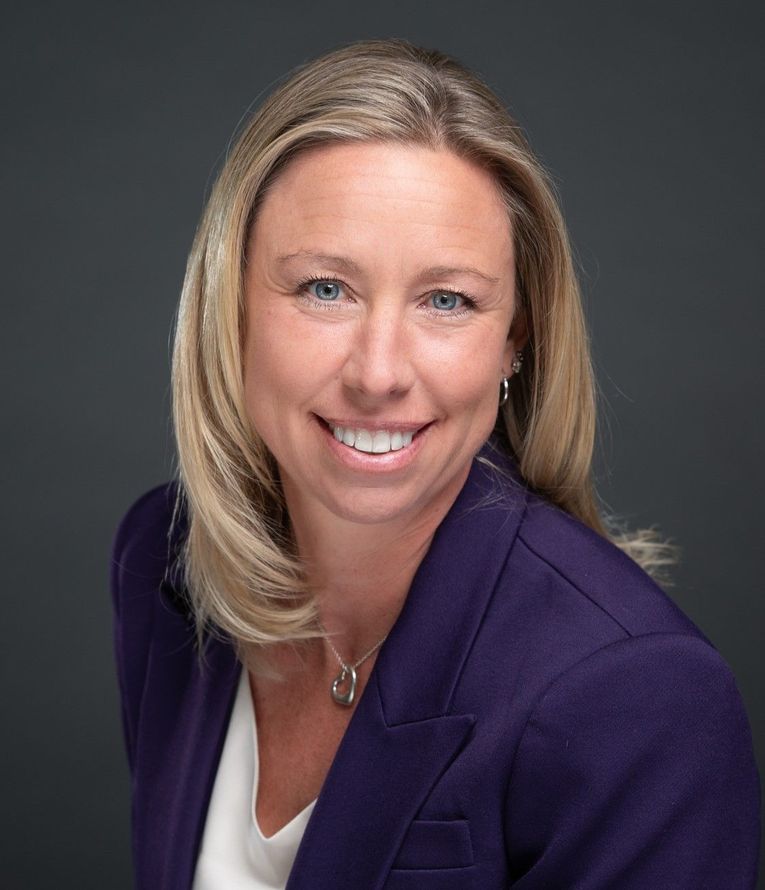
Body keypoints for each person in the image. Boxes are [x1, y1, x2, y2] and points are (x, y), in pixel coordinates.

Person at [110, 38, 761, 890]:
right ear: (228, 308)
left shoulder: (637, 699)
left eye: (446, 300)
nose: (379, 373)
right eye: (323, 289)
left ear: (513, 340)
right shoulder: (164, 557)